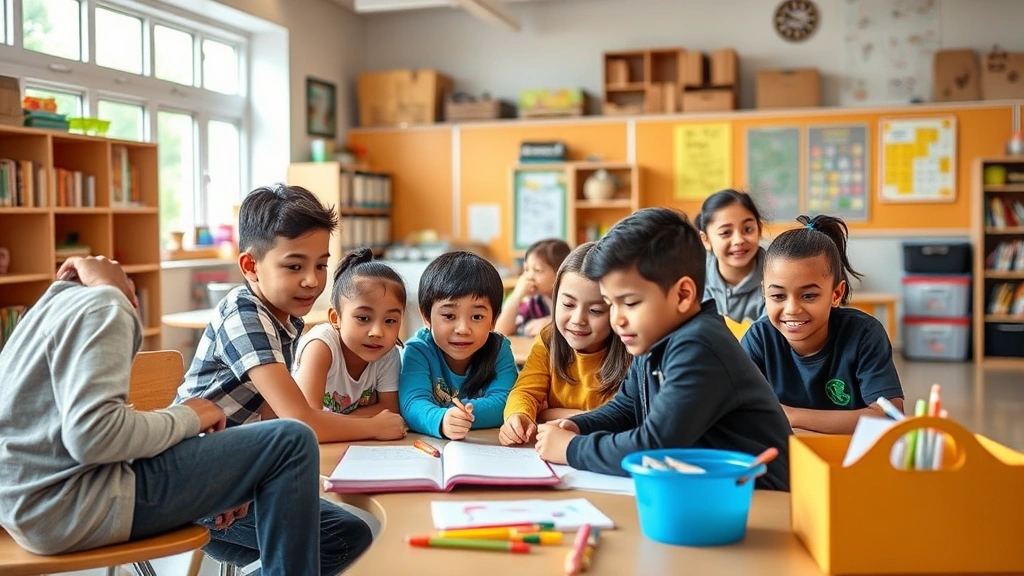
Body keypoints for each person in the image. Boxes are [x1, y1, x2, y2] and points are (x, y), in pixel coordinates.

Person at [0, 256, 328, 574]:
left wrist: (230, 472)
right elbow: (93, 436)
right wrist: (188, 416)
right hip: (76, 504)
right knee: (292, 441)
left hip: (29, 508)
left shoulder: (45, 309)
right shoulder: (107, 306)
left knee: (345, 533)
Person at [174, 184, 379, 573]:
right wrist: (376, 426)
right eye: (294, 266)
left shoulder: (284, 317)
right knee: (343, 539)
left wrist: (250, 478)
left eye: (321, 265)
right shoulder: (245, 315)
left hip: (231, 472)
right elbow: (300, 422)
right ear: (251, 266)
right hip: (195, 482)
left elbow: (274, 418)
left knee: (346, 534)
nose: (312, 281)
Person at [533, 208, 792, 491]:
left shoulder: (699, 346)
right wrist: (580, 427)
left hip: (759, 498)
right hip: (708, 490)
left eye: (630, 303)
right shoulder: (655, 338)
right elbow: (626, 408)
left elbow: (655, 448)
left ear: (683, 295)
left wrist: (573, 449)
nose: (617, 319)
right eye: (610, 303)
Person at [740, 214, 905, 434]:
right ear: (764, 293)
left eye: (808, 296)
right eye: (778, 296)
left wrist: (792, 415)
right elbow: (738, 410)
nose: (792, 309)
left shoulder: (864, 334)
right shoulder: (759, 339)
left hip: (848, 458)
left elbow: (890, 416)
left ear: (836, 294)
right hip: (786, 458)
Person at [499, 242, 631, 446]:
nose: (578, 319)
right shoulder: (548, 338)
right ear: (554, 298)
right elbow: (525, 391)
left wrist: (549, 414)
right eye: (568, 304)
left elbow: (623, 418)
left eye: (596, 310)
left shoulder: (630, 348)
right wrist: (518, 416)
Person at [399, 251, 519, 440]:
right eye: (449, 316)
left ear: (493, 321)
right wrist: (442, 419)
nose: (463, 329)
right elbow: (412, 404)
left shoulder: (499, 350)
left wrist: (460, 414)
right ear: (426, 316)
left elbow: (507, 401)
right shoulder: (418, 350)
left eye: (477, 317)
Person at [292, 247, 408, 440]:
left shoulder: (388, 353)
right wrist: (373, 426)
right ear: (336, 318)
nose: (377, 332)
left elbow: (390, 408)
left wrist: (332, 423)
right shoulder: (320, 346)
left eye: (390, 321)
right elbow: (307, 424)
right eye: (363, 318)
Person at [694, 189, 768, 324]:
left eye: (748, 229)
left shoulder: (777, 278)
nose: (739, 240)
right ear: (706, 240)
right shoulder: (694, 278)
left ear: (759, 230)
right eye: (726, 232)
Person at [495, 238, 571, 337]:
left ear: (560, 273)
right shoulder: (532, 303)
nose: (529, 276)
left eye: (537, 270)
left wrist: (552, 324)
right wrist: (517, 296)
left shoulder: (571, 300)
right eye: (526, 269)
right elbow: (500, 332)